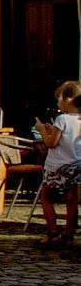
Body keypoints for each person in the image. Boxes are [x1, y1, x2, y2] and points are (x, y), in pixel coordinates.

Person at [35, 78, 81, 248]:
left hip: (58, 165)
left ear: (68, 99)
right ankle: (69, 234)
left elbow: (51, 143)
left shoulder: (62, 119)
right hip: (76, 164)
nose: (58, 103)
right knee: (72, 198)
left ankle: (53, 232)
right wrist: (51, 131)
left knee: (46, 196)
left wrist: (41, 130)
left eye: (58, 99)